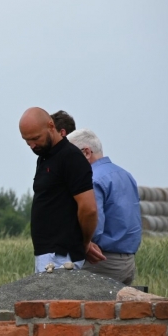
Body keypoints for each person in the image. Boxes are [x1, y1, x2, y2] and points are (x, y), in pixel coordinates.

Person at [19, 107, 104, 272]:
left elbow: (89, 209)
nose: (32, 145)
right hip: (47, 253)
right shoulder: (44, 157)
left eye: (36, 138)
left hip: (61, 256)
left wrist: (84, 242)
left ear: (51, 126)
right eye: (27, 141)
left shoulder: (71, 157)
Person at [67, 128, 142, 285]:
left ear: (86, 153)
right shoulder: (126, 175)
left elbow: (93, 223)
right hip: (128, 262)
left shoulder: (91, 179)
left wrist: (81, 243)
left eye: (70, 156)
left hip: (100, 262)